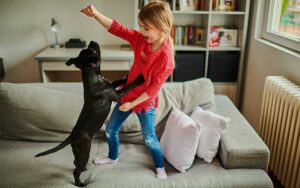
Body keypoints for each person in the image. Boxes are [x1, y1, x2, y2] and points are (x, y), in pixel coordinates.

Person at [81, 1, 175, 179]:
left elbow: (154, 88)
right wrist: (96, 15)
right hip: (127, 94)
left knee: (149, 138)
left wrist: (133, 103)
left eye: (146, 28)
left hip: (145, 102)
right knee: (110, 130)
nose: (141, 31)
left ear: (162, 28)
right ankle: (112, 157)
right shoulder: (141, 39)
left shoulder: (166, 59)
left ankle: (160, 166)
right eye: (141, 26)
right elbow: (119, 29)